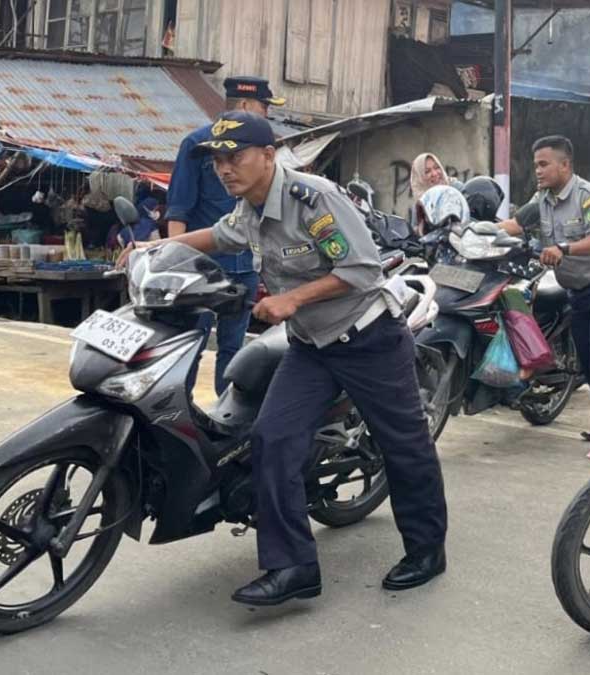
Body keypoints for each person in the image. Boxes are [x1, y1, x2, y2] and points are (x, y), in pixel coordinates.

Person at [129, 111, 448, 605]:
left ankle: (427, 551)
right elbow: (220, 235)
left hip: (368, 339)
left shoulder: (312, 198)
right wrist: (154, 247)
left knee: (402, 445)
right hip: (311, 346)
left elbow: (361, 268)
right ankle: (294, 566)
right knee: (272, 438)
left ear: (268, 156)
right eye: (217, 161)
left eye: (234, 157)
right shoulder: (249, 207)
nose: (224, 168)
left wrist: (292, 300)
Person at [499, 136, 590, 445]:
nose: (539, 171)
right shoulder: (541, 200)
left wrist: (564, 248)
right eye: (536, 166)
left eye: (544, 165)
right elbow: (515, 225)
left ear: (565, 165)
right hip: (577, 292)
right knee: (586, 364)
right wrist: (472, 230)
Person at [165, 76, 286, 396]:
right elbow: (178, 209)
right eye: (264, 107)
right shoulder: (196, 145)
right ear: (245, 106)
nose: (267, 115)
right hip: (202, 271)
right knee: (189, 345)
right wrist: (176, 267)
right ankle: (179, 413)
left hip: (244, 268)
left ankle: (226, 419)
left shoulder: (262, 151)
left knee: (234, 352)